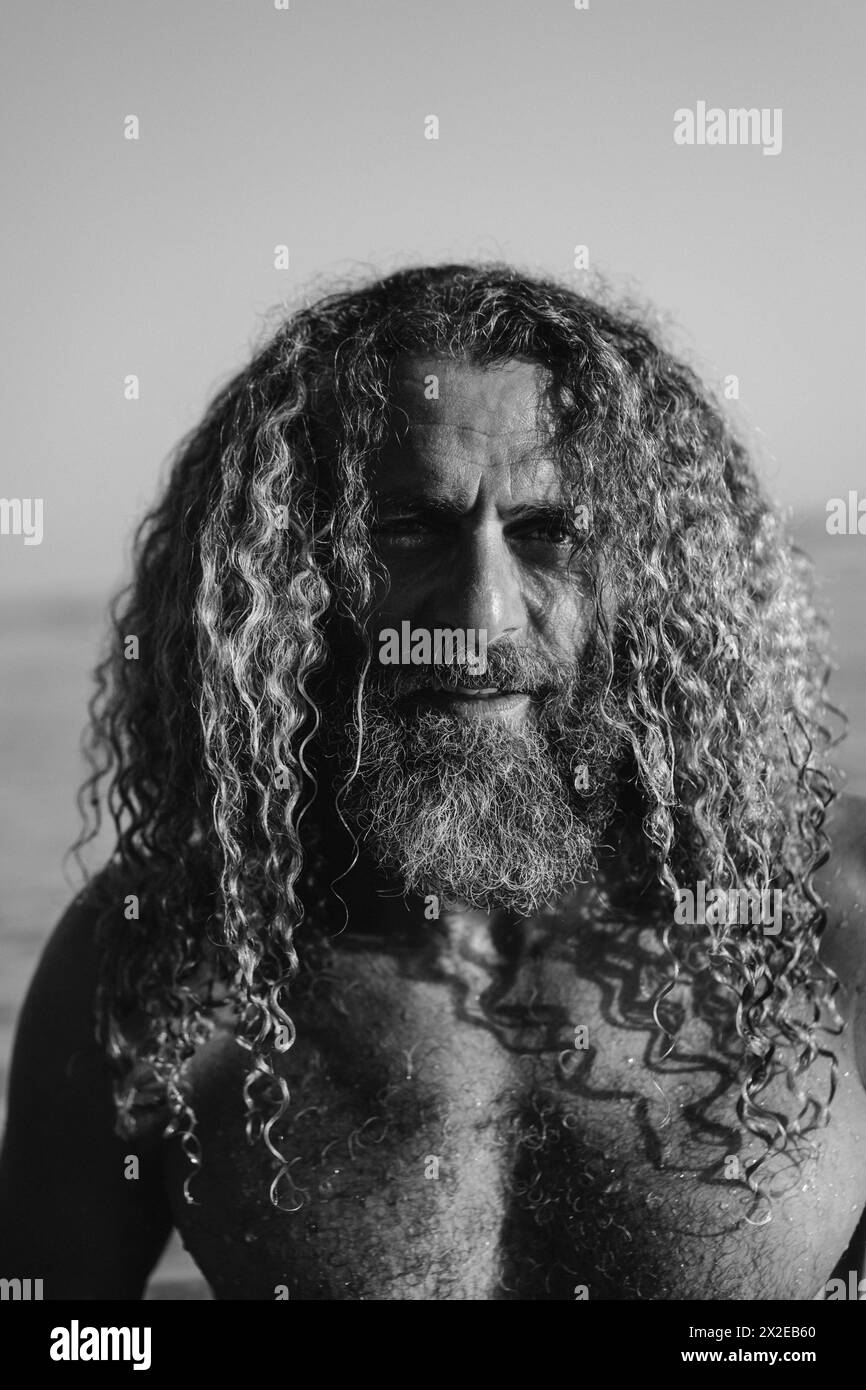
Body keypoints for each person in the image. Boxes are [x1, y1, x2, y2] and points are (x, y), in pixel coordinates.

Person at [2, 264, 865, 1301]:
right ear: (288, 573)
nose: (480, 617)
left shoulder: (832, 912)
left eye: (550, 532)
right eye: (408, 529)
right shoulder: (168, 958)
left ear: (658, 576)